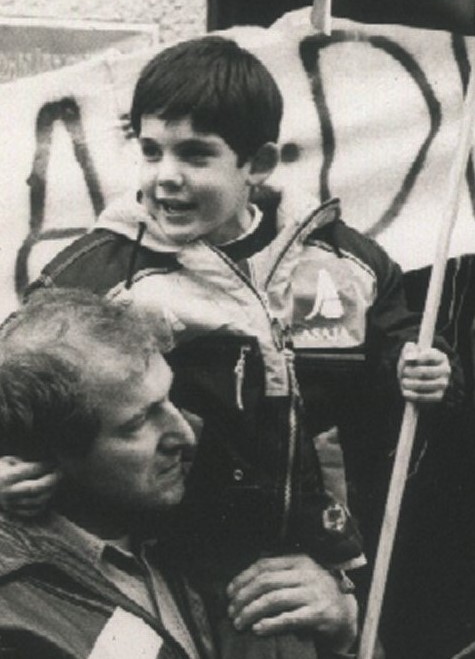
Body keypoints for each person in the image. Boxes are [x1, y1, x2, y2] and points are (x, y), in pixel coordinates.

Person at [0, 36, 453, 657]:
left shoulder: (338, 261)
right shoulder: (97, 271)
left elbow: (391, 387)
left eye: (195, 154)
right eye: (151, 150)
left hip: (314, 559)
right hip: (173, 557)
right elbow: (20, 383)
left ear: (258, 164)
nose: (165, 176)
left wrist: (425, 370)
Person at [0, 288, 359, 659]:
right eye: (138, 422)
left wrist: (341, 630)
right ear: (49, 453)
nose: (185, 435)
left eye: (170, 399)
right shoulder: (15, 616)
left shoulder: (205, 520)